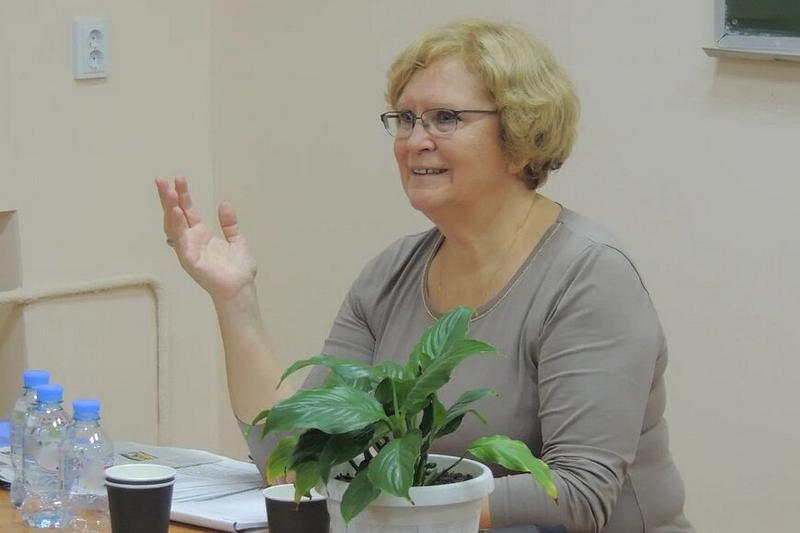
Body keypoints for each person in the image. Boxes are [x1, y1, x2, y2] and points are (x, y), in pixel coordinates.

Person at [156, 19, 692, 532]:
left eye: (445, 118)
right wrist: (235, 299)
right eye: (406, 119)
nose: (415, 140)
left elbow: (579, 495)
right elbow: (295, 460)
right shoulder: (391, 274)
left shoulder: (590, 277)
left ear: (519, 135)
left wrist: (392, 504)